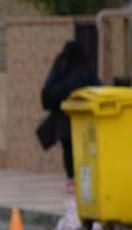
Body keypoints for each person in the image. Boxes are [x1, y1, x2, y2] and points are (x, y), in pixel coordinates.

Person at [41, 41, 100, 193]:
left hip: (64, 117)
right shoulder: (86, 70)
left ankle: (71, 179)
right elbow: (98, 88)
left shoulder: (60, 67)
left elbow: (48, 90)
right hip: (84, 117)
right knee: (85, 148)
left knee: (68, 148)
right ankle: (85, 177)